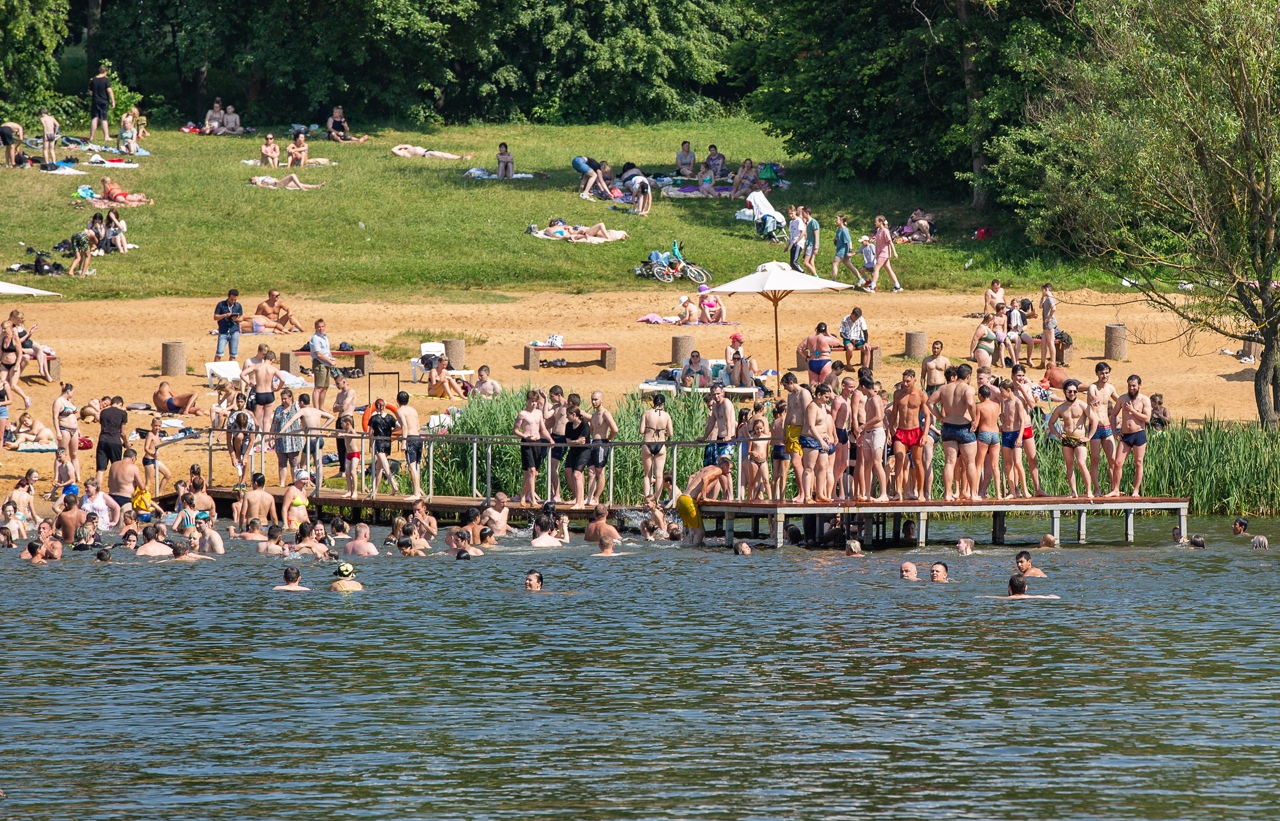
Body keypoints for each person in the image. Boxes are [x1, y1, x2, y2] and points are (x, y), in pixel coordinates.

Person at [933, 363, 978, 501]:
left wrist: (940, 417)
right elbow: (970, 403)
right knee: (970, 462)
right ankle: (974, 494)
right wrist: (975, 419)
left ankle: (947, 493)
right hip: (964, 426)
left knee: (949, 462)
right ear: (968, 376)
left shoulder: (944, 388)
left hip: (948, 427)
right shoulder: (968, 388)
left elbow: (929, 402)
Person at [1046, 379, 1097, 497]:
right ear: (1064, 392)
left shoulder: (1082, 405)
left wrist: (1089, 437)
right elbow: (1051, 423)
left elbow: (1094, 420)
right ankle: (1074, 491)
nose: (1072, 394)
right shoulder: (1060, 408)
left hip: (1079, 439)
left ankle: (1089, 491)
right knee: (1069, 465)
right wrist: (1058, 435)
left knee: (1081, 463)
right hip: (1067, 439)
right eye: (1070, 391)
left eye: (1075, 391)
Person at [1107, 374, 1151, 497]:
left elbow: (1147, 418)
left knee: (1138, 462)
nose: (1131, 388)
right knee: (1118, 463)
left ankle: (1136, 491)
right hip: (1125, 435)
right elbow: (1114, 414)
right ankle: (1116, 489)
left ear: (1139, 386)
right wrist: (1114, 431)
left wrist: (1132, 411)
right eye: (1129, 385)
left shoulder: (1144, 400)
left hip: (1139, 434)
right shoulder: (1122, 399)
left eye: (1134, 386)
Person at [889, 369, 930, 500]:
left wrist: (925, 434)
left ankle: (921, 492)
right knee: (899, 459)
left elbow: (928, 416)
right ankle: (898, 493)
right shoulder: (897, 394)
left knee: (917, 462)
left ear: (914, 380)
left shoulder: (921, 395)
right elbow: (894, 413)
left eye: (908, 381)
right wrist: (890, 429)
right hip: (901, 431)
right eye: (904, 381)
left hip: (915, 431)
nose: (905, 384)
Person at [675, 455, 733, 546]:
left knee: (692, 531)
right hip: (689, 501)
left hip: (681, 499)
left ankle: (684, 548)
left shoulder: (708, 467)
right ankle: (694, 551)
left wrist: (689, 491)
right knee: (700, 532)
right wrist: (705, 497)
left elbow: (691, 477)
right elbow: (705, 479)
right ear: (724, 466)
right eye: (730, 468)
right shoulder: (718, 470)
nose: (730, 471)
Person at [514, 390, 552, 506]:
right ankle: (532, 499)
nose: (533, 404)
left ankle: (523, 495)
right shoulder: (523, 414)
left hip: (537, 442)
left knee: (534, 473)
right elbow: (515, 430)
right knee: (531, 470)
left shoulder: (539, 413)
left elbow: (543, 429)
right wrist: (524, 435)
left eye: (535, 402)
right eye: (531, 402)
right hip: (527, 443)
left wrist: (550, 439)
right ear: (527, 401)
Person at [640, 394, 673, 500]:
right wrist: (664, 434)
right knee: (659, 475)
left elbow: (641, 431)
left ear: (653, 402)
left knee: (647, 474)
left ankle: (647, 499)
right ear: (663, 404)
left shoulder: (646, 413)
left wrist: (649, 431)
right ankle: (657, 500)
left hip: (648, 443)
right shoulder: (666, 415)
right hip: (660, 444)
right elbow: (671, 433)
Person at [395, 391, 424, 499]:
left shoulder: (400, 411)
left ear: (397, 400)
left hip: (410, 439)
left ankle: (416, 493)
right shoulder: (413, 410)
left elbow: (405, 427)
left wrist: (403, 442)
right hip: (418, 438)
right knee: (415, 467)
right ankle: (418, 491)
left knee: (412, 467)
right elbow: (417, 427)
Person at [869, 214, 903, 292]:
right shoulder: (878, 230)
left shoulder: (885, 230)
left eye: (876, 221)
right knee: (889, 270)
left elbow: (890, 242)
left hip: (884, 253)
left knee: (876, 268)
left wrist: (895, 252)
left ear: (880, 222)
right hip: (880, 253)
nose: (875, 223)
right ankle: (897, 286)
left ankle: (872, 286)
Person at [89, 65, 115, 144]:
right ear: (105, 72)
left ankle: (91, 136)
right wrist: (113, 101)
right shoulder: (106, 80)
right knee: (104, 119)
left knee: (95, 118)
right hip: (104, 102)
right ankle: (106, 136)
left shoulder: (93, 80)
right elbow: (109, 91)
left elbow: (90, 92)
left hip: (95, 101)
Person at [831, 215, 859, 281]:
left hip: (842, 251)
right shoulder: (839, 229)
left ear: (841, 221)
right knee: (850, 266)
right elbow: (839, 239)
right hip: (841, 250)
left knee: (834, 264)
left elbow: (849, 241)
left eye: (837, 219)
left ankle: (833, 280)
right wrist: (836, 241)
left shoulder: (845, 230)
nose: (836, 220)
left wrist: (850, 251)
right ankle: (860, 279)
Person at [1039, 282, 1058, 369]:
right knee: (1043, 344)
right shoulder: (1047, 298)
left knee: (1050, 343)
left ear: (1046, 289)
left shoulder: (1050, 298)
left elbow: (1054, 308)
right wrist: (1042, 297)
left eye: (1043, 290)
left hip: (1049, 324)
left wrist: (1049, 318)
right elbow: (1040, 306)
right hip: (1046, 324)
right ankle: (1042, 362)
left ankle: (1053, 362)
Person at [801, 206, 819, 276]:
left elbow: (816, 235)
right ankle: (816, 278)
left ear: (807, 213)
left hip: (812, 245)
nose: (802, 215)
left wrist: (816, 247)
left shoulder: (813, 222)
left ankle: (816, 276)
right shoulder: (808, 223)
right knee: (811, 263)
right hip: (809, 244)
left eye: (803, 213)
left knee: (805, 263)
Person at [390, 144, 474, 159]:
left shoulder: (407, 148)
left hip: (428, 151)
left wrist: (402, 146)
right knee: (443, 156)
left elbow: (407, 145)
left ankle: (461, 158)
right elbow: (392, 150)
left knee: (444, 154)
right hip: (426, 154)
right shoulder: (403, 153)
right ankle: (462, 158)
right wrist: (399, 146)